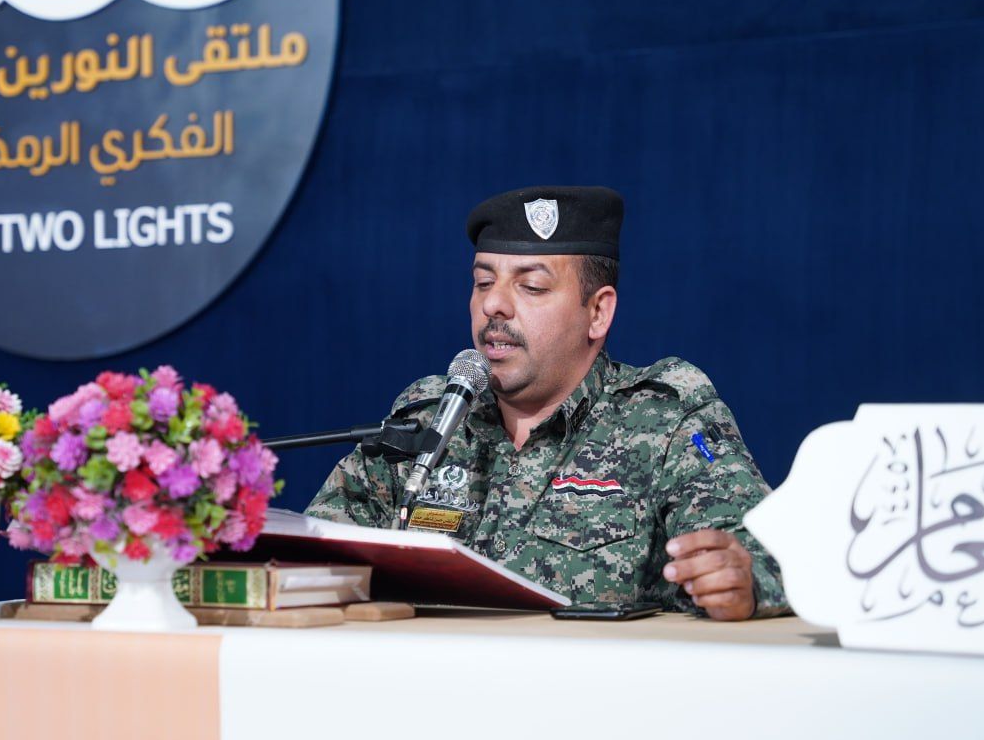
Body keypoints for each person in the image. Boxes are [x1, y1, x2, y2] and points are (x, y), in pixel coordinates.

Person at [305, 186, 788, 620]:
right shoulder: (429, 415)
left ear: (597, 312)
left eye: (531, 286)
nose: (494, 304)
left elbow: (770, 556)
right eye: (483, 282)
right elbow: (313, 551)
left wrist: (745, 580)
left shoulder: (663, 419)